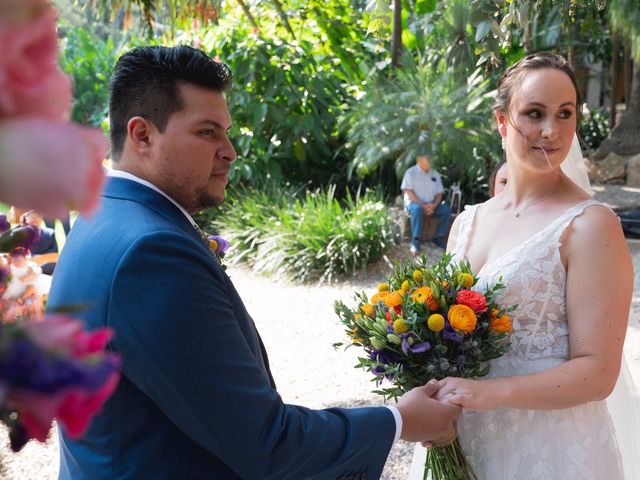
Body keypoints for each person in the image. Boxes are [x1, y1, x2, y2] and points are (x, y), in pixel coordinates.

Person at [47, 45, 460, 480]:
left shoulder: (105, 216)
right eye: (208, 132)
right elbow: (267, 444)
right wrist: (400, 420)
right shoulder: (150, 251)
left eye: (225, 132)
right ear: (142, 135)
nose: (230, 151)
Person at [408, 52, 635, 479]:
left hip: (549, 447)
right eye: (534, 113)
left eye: (564, 114)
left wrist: (491, 393)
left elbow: (599, 372)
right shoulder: (467, 222)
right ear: (501, 123)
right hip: (464, 437)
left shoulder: (590, 226)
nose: (551, 130)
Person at [401, 153, 452, 253]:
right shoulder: (410, 172)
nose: (431, 159)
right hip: (414, 203)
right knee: (417, 209)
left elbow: (439, 194)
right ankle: (415, 240)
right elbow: (409, 192)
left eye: (431, 157)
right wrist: (423, 205)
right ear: (419, 159)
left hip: (431, 204)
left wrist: (433, 206)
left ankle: (438, 237)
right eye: (428, 157)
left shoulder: (435, 174)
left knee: (446, 210)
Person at [21, 210, 58, 274]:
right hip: (26, 268)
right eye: (32, 216)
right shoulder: (20, 234)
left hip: (46, 268)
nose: (35, 218)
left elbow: (55, 256)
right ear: (26, 218)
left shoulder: (50, 233)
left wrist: (38, 259)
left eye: (38, 216)